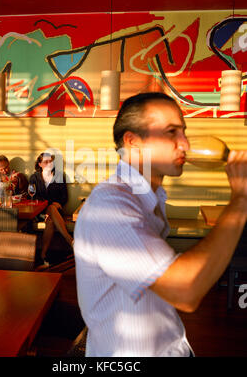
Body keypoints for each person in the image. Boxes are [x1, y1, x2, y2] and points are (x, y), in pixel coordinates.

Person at [73, 92, 247, 357]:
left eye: (184, 132)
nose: (185, 144)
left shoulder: (148, 198)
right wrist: (241, 200)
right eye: (171, 132)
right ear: (133, 142)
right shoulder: (110, 206)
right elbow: (185, 290)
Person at [29, 151, 74, 266]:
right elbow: (32, 197)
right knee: (50, 219)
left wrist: (56, 204)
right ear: (39, 164)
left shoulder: (59, 176)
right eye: (46, 162)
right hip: (40, 211)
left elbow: (64, 197)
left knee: (51, 211)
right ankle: (70, 241)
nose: (49, 164)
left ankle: (43, 256)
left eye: (51, 161)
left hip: (56, 210)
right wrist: (51, 203)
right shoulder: (34, 178)